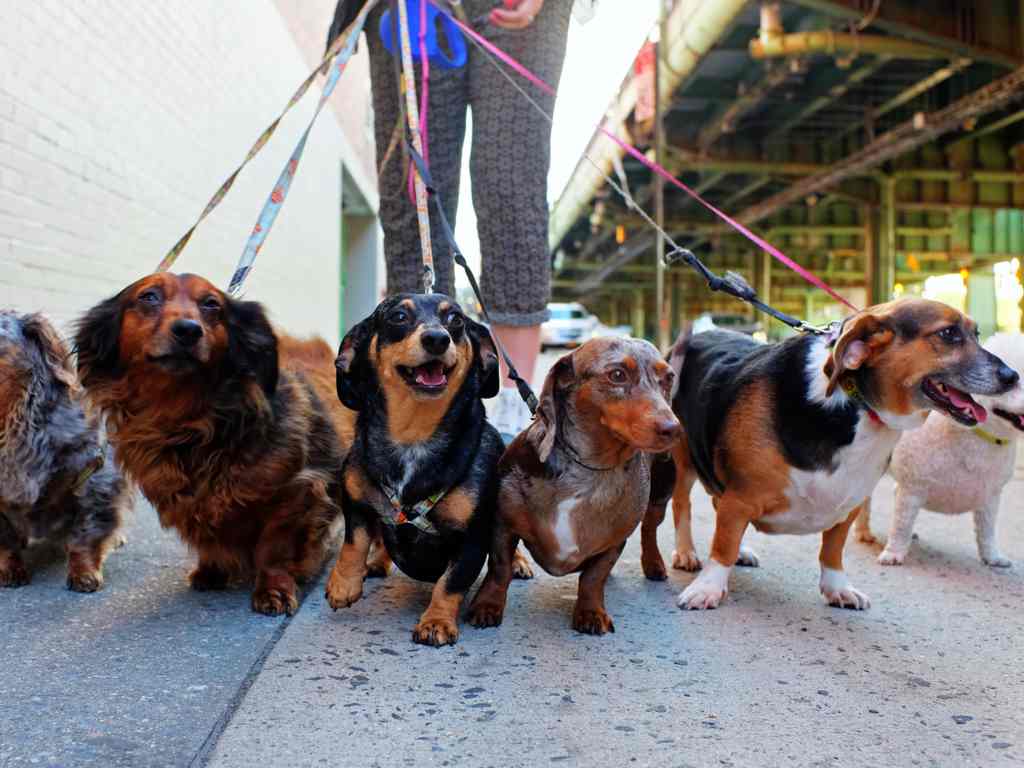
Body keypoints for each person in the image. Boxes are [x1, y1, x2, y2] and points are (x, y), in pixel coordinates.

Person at [327, 0, 575, 442]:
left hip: (518, 13)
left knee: (510, 184)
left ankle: (513, 405)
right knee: (412, 194)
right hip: (410, 10)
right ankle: (419, 405)